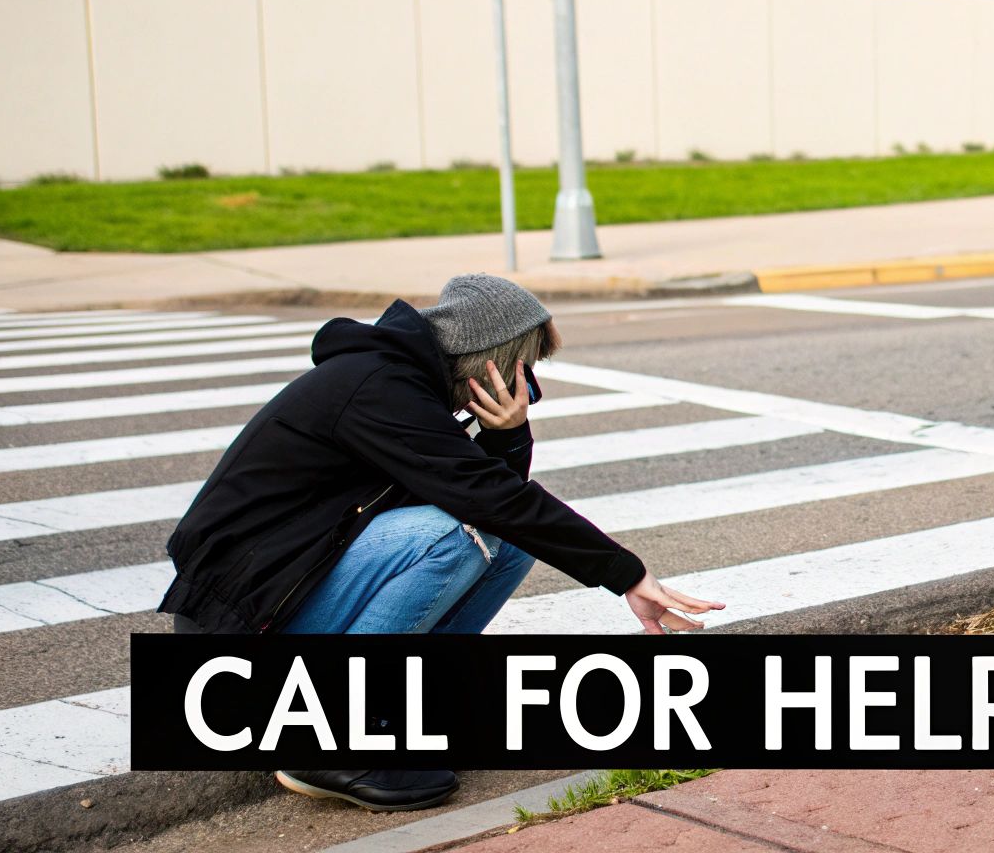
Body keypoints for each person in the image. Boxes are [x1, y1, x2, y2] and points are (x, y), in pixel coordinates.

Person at [159, 274, 723, 810]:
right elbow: (482, 500)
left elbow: (491, 498)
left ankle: (398, 710)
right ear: (492, 360)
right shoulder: (377, 388)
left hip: (289, 591)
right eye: (523, 368)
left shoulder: (406, 386)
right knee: (453, 537)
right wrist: (626, 574)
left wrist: (508, 437)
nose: (528, 387)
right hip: (239, 624)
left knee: (506, 538)